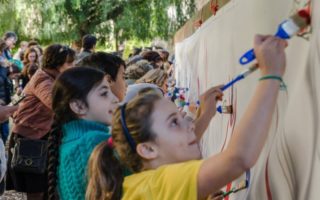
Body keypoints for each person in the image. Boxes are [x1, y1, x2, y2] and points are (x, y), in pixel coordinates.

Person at [86, 35, 288, 200]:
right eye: (174, 122)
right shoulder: (160, 184)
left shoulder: (138, 185)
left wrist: (206, 114)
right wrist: (271, 74)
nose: (190, 126)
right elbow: (238, 158)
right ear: (147, 149)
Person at [7, 44, 75, 200]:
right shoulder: (43, 79)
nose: (73, 66)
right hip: (31, 139)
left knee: (47, 187)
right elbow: (56, 103)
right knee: (36, 189)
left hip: (41, 136)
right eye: (69, 63)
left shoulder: (52, 78)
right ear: (57, 63)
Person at [47, 67, 118, 200]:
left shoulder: (70, 141)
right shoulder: (93, 141)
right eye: (104, 93)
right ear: (78, 106)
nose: (115, 99)